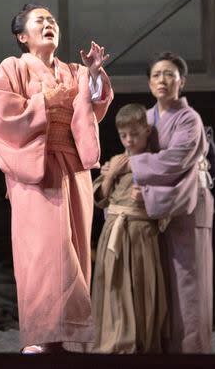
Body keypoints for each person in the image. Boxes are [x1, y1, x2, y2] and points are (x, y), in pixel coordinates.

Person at [0, 3, 114, 354]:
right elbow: (1, 113)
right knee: (44, 252)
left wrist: (95, 73)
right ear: (22, 36)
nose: (49, 25)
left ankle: (66, 336)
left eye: (52, 20)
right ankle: (40, 334)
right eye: (40, 21)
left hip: (72, 166)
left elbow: (96, 106)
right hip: (35, 170)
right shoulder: (11, 69)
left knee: (74, 247)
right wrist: (43, 102)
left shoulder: (74, 71)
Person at [127, 51, 214, 353]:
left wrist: (136, 169)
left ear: (182, 82)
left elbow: (175, 160)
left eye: (169, 74)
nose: (162, 80)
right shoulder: (146, 118)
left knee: (188, 281)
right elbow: (131, 149)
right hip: (153, 206)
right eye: (156, 75)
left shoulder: (189, 119)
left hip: (188, 202)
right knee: (158, 280)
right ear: (149, 84)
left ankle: (193, 353)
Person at [91, 103, 168, 354]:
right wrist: (112, 174)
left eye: (134, 134)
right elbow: (101, 196)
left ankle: (141, 343)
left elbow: (167, 201)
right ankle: (114, 340)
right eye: (123, 135)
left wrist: (146, 196)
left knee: (141, 287)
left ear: (146, 131)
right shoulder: (117, 160)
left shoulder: (156, 162)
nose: (128, 140)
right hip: (114, 231)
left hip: (141, 235)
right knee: (113, 285)